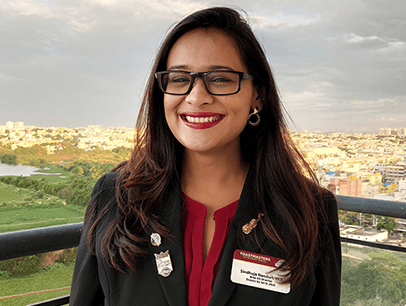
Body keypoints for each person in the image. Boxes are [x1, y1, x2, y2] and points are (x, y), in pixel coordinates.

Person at [70, 6, 341, 306]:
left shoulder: (307, 211)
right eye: (179, 79)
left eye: (221, 79)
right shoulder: (116, 199)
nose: (197, 97)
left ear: (258, 96)